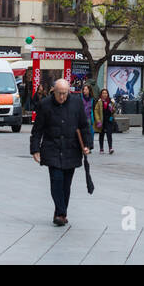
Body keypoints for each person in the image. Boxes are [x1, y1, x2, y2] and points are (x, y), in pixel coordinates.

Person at [30, 77, 93, 227]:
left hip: (71, 149)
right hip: (52, 148)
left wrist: (88, 145)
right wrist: (35, 149)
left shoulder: (76, 103)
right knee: (56, 180)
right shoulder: (45, 105)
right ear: (54, 91)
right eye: (59, 93)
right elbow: (37, 130)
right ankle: (61, 212)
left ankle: (60, 213)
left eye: (65, 93)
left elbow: (84, 126)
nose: (62, 97)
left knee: (66, 185)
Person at [93, 88, 117, 154]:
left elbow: (114, 110)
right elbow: (96, 111)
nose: (104, 94)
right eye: (103, 93)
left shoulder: (111, 101)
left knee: (109, 134)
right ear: (101, 94)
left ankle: (110, 148)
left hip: (109, 120)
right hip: (101, 121)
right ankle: (101, 148)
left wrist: (112, 109)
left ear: (108, 94)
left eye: (106, 93)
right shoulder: (99, 101)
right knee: (101, 135)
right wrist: (98, 120)